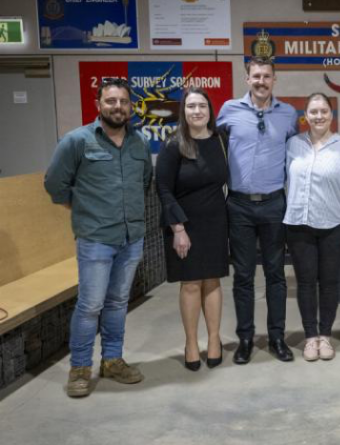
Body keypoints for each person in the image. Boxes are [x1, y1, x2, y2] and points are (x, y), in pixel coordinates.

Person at [44, 77, 151, 397]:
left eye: (123, 102)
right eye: (111, 101)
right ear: (98, 105)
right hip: (95, 239)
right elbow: (54, 185)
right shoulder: (77, 141)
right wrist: (81, 209)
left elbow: (145, 181)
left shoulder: (139, 142)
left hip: (131, 237)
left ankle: (112, 360)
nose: (117, 107)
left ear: (131, 106)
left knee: (118, 301)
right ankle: (80, 368)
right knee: (90, 305)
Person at [217, 57, 298, 364]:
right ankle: (246, 339)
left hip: (275, 203)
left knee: (277, 274)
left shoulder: (288, 114)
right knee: (243, 276)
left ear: (274, 80)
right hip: (238, 205)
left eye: (267, 76)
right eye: (256, 76)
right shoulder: (229, 111)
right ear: (247, 78)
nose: (261, 81)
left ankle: (277, 337)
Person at [284, 93, 340, 361]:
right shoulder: (292, 145)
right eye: (313, 111)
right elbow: (283, 182)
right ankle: (310, 337)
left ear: (331, 115)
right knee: (305, 283)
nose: (318, 116)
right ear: (305, 115)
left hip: (334, 224)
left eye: (323, 111)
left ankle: (325, 336)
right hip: (298, 224)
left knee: (329, 283)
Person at [156, 87, 229, 371]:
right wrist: (178, 229)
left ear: (210, 110)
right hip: (184, 224)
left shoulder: (221, 139)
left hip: (215, 222)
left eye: (202, 106)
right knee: (190, 284)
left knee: (212, 281)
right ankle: (190, 343)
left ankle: (213, 340)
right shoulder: (174, 144)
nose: (197, 111)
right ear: (183, 112)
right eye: (191, 106)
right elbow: (163, 188)